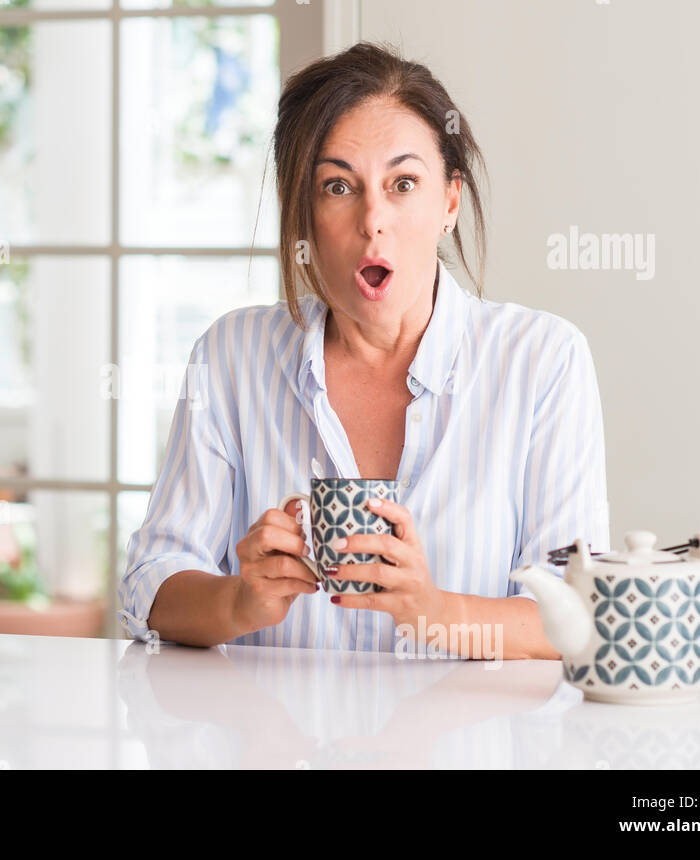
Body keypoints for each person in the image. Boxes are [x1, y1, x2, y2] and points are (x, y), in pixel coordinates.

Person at [118, 41, 610, 658]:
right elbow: (149, 586)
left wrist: (434, 611)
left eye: (403, 183)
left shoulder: (543, 361)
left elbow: (576, 613)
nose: (373, 219)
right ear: (304, 214)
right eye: (337, 187)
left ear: (449, 203)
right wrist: (239, 602)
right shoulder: (231, 356)